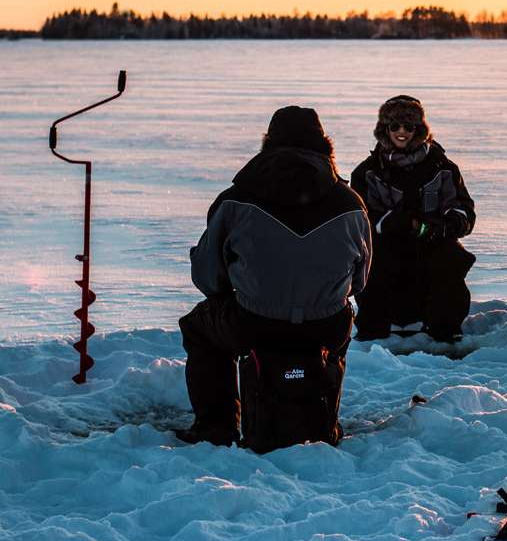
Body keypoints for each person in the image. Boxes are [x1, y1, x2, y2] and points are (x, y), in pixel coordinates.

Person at [176, 106, 371, 446]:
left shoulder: (235, 200)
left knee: (199, 328)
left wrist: (234, 290)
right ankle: (326, 416)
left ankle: (215, 428)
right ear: (325, 144)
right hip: (325, 324)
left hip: (254, 321)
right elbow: (360, 280)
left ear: (267, 143)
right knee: (341, 327)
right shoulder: (351, 203)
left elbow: (207, 275)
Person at [350, 95, 475, 343]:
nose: (402, 132)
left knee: (452, 259)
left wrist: (445, 225)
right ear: (384, 130)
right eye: (394, 126)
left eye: (409, 126)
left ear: (420, 129)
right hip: (385, 244)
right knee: (369, 263)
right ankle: (373, 334)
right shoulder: (367, 171)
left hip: (432, 241)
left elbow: (463, 210)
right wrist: (397, 222)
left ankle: (445, 331)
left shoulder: (443, 167)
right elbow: (360, 217)